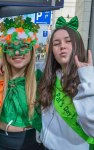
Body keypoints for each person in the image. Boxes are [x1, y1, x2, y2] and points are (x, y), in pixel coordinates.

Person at [0, 16, 45, 150]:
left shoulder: (41, 79)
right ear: (4, 51)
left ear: (32, 50)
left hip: (30, 142)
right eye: (11, 47)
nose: (17, 52)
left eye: (24, 46)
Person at [38, 16, 94, 150]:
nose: (62, 46)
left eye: (68, 41)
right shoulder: (48, 77)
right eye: (56, 43)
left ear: (78, 45)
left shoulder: (89, 79)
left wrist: (87, 78)